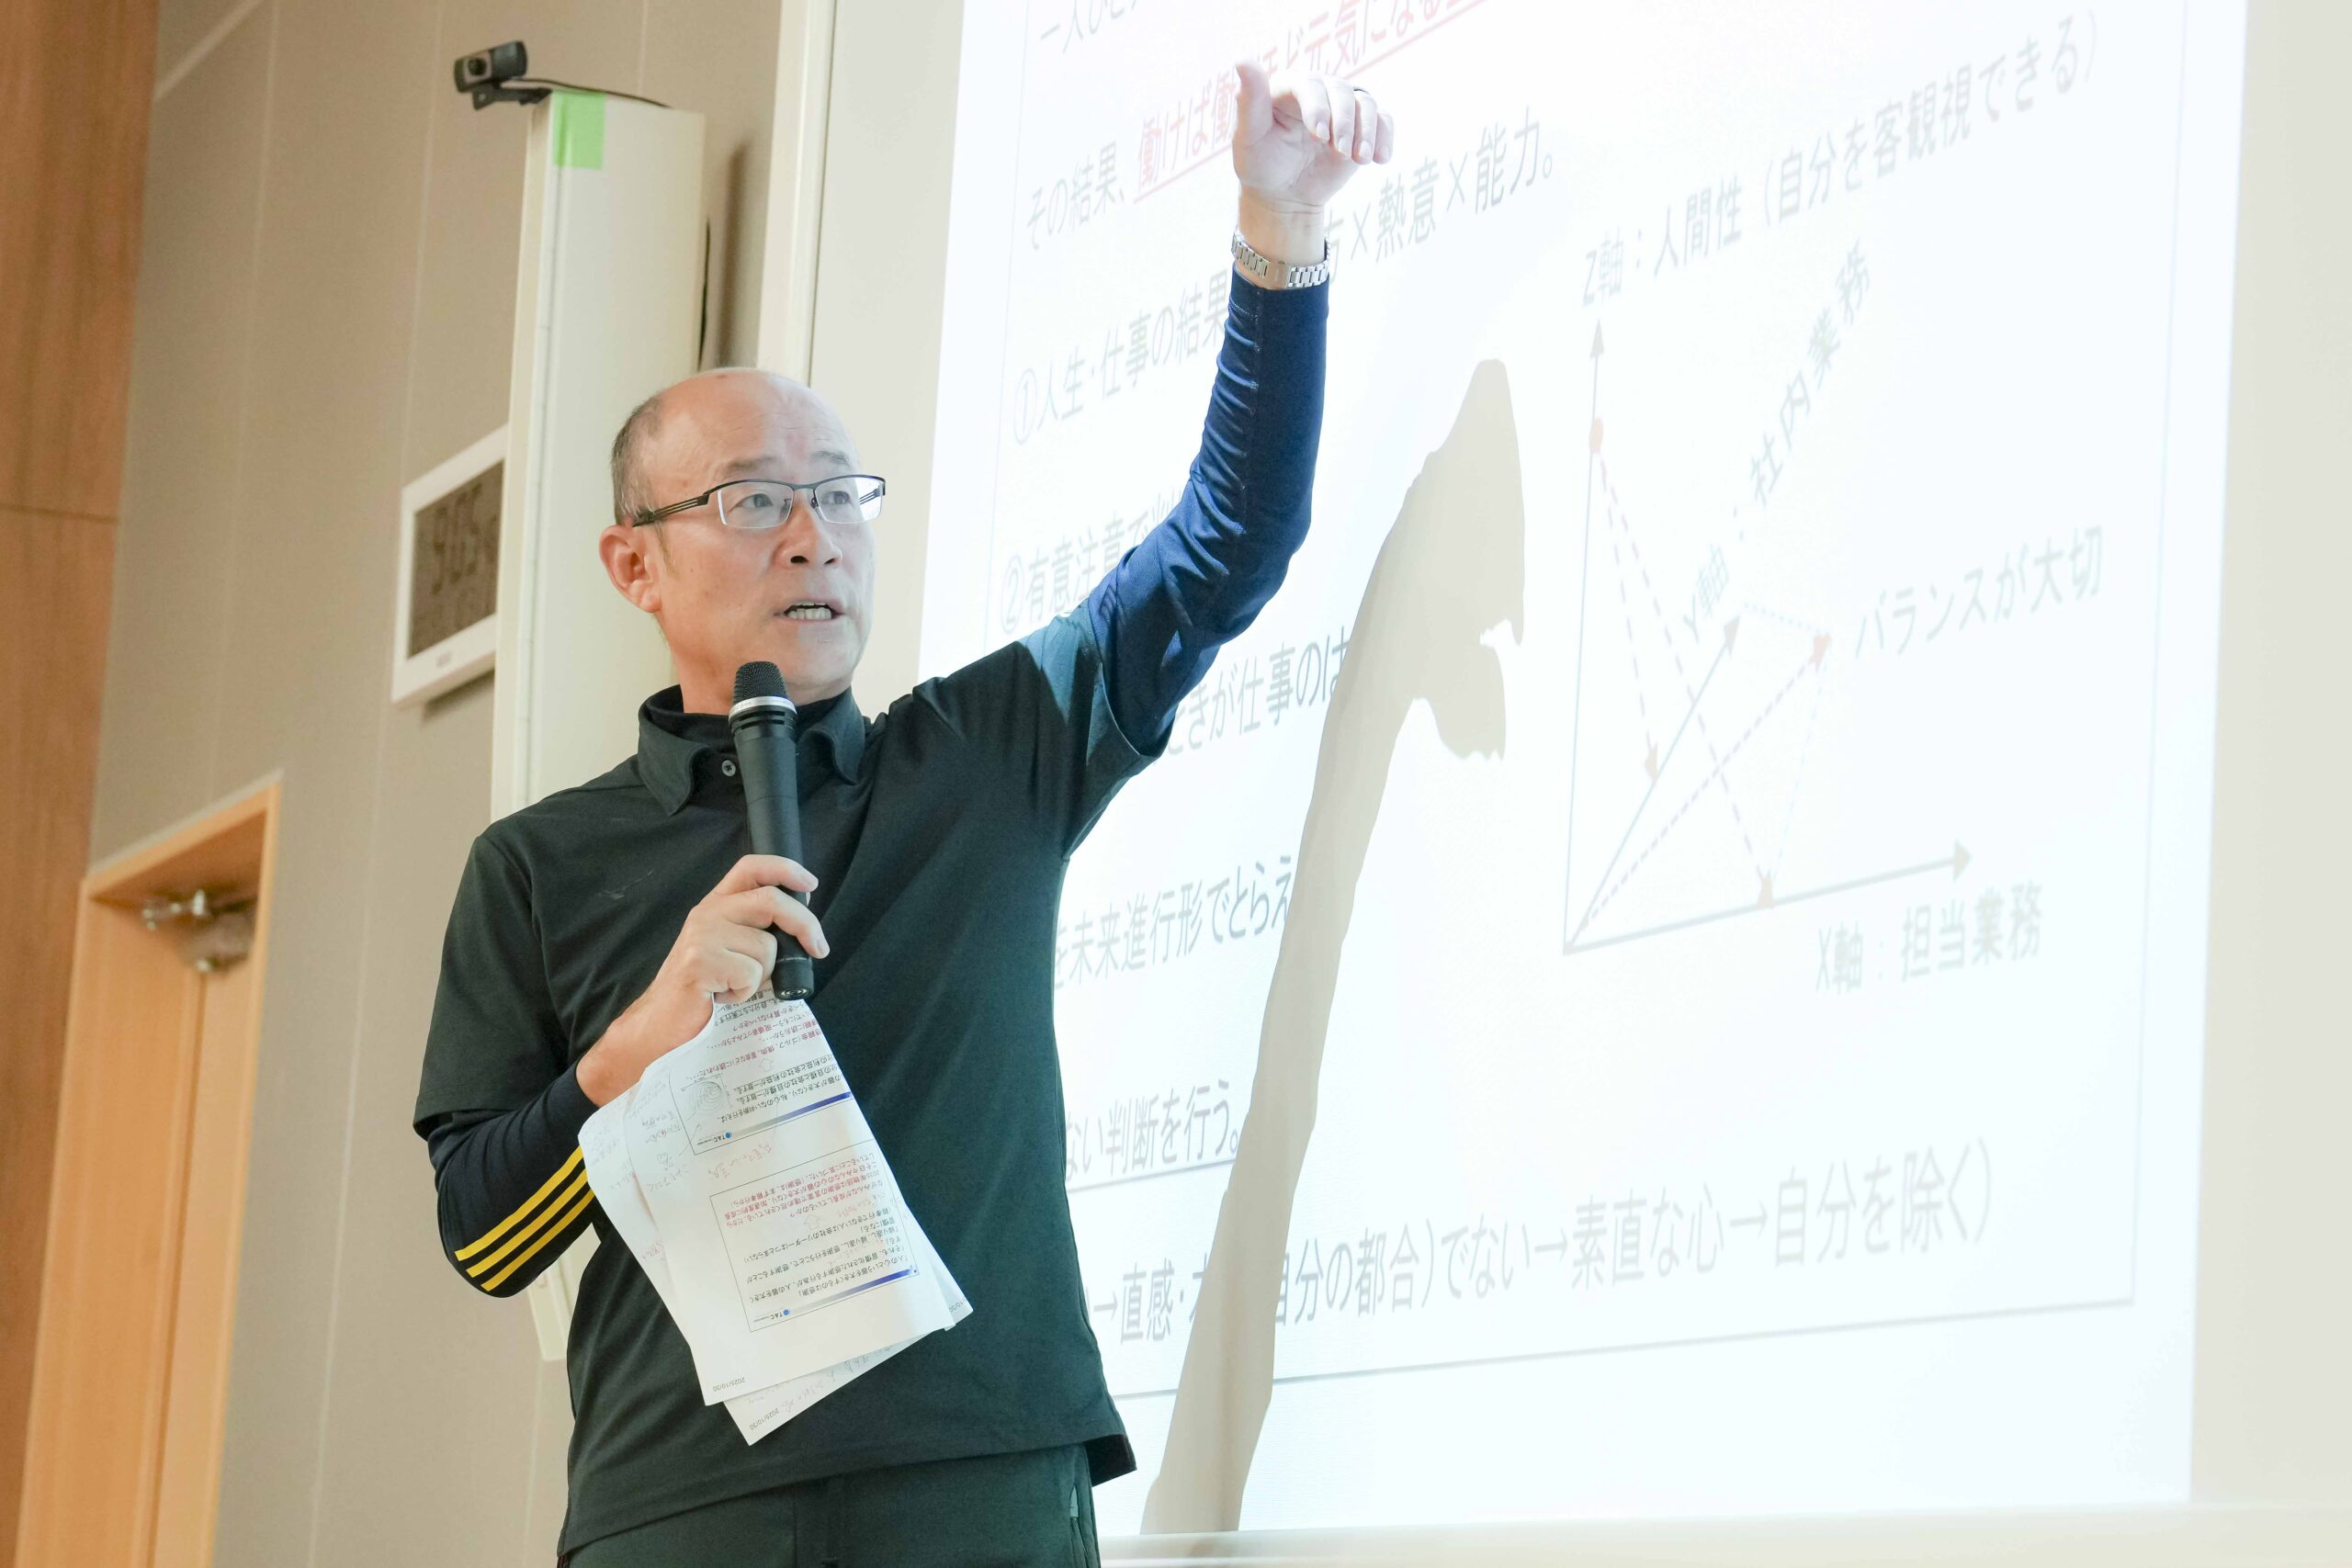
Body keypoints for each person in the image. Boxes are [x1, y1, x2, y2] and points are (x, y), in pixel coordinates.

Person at [413, 59, 1394, 1567]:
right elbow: (487, 1237)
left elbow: (1230, 542)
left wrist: (1281, 235)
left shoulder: (986, 756)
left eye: (841, 495)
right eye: (752, 500)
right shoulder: (538, 865)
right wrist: (642, 1038)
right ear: (635, 564)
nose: (814, 537)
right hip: (681, 1509)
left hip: (978, 1477)